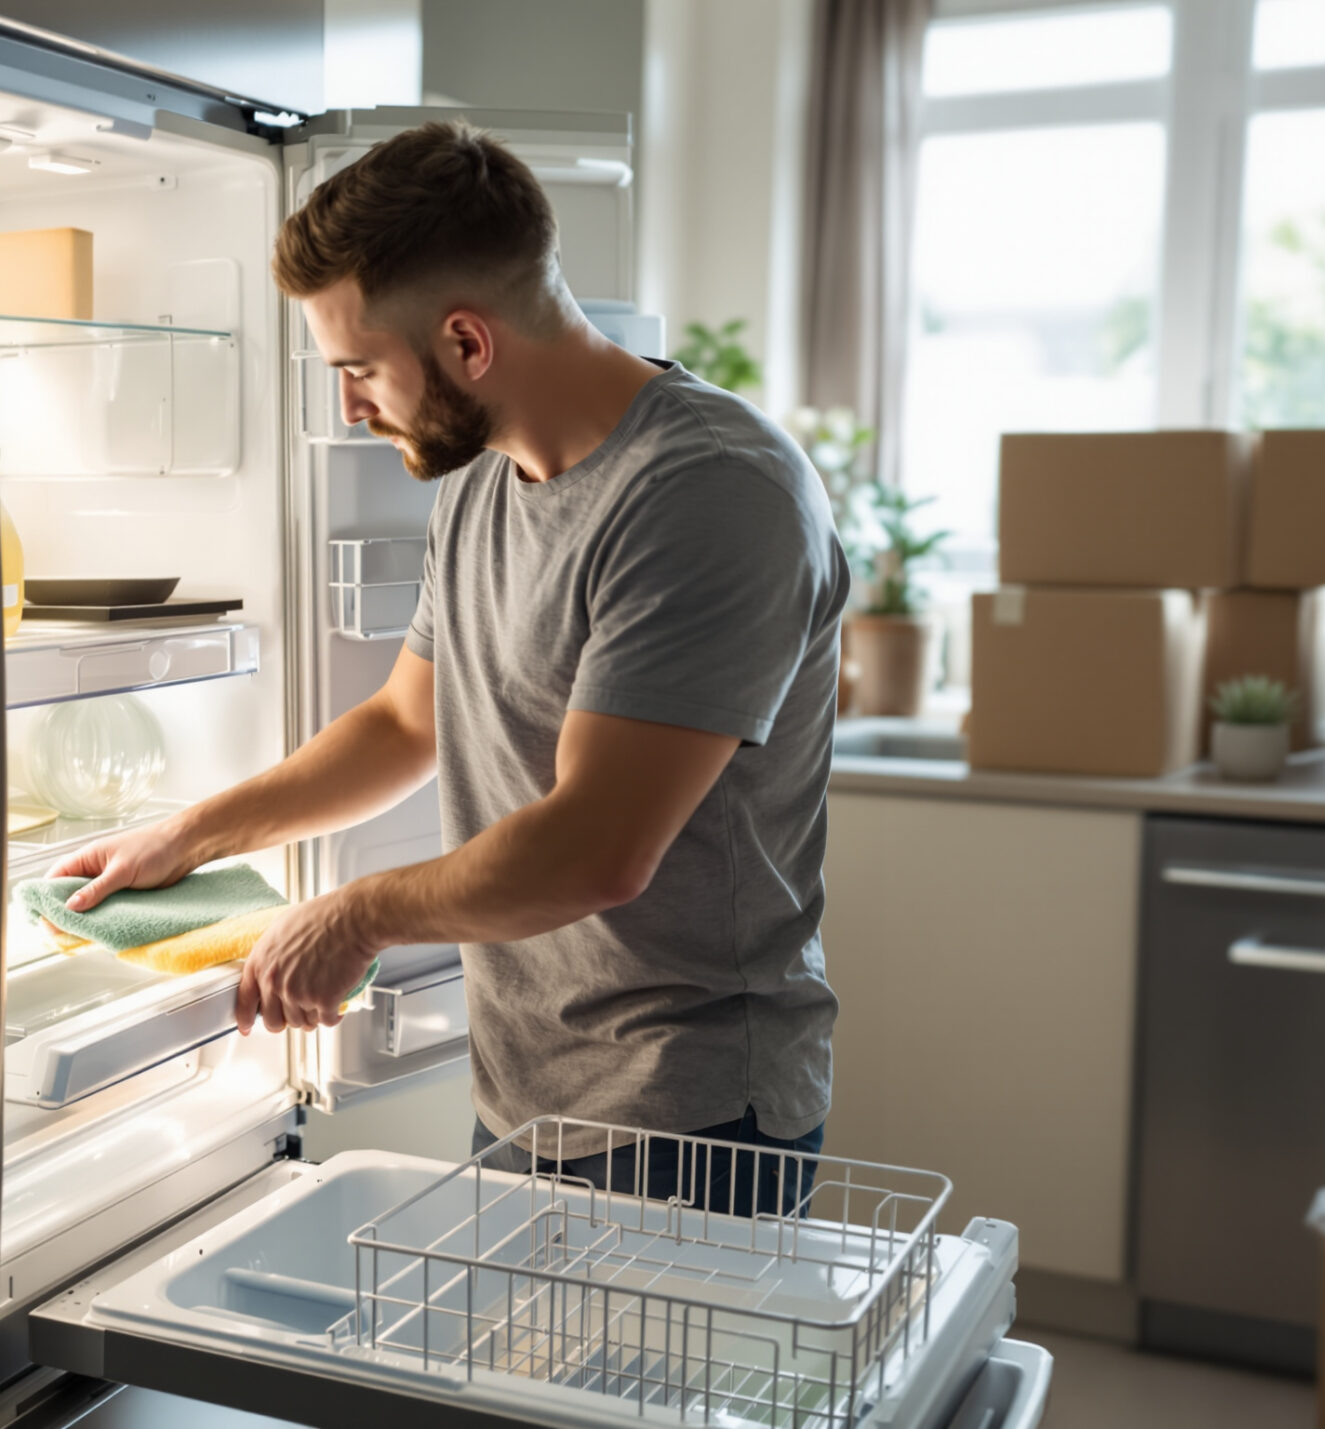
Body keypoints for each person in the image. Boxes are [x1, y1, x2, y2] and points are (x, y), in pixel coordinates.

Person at [53, 122, 849, 1215]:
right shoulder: (481, 476)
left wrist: (358, 913)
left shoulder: (708, 497)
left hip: (689, 1113)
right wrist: (191, 833)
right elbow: (401, 724)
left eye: (358, 370)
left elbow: (596, 849)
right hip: (527, 1081)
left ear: (467, 344)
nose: (348, 407)